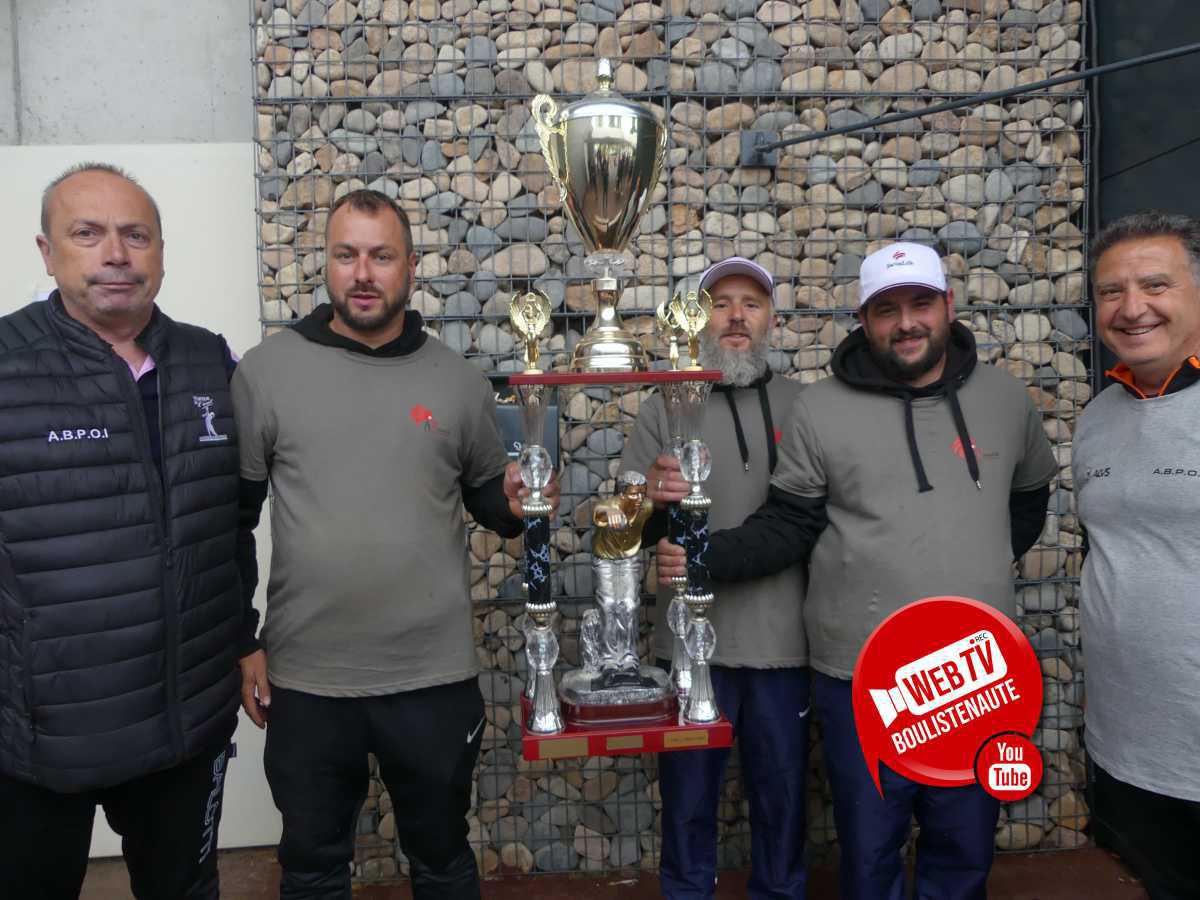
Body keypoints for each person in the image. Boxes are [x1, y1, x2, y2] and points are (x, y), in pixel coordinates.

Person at [657, 242, 1057, 899]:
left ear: (948, 307)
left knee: (963, 846)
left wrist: (974, 561)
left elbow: (1028, 498)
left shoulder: (1004, 399)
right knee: (869, 852)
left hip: (979, 669)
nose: (906, 322)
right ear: (863, 319)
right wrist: (704, 556)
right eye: (886, 309)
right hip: (861, 673)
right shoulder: (824, 408)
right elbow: (790, 523)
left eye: (921, 303)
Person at [232, 188, 557, 899]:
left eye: (381, 256)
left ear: (412, 266)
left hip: (431, 678)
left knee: (441, 857)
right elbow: (234, 517)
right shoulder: (266, 373)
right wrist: (243, 640)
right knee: (313, 867)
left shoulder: (456, 380)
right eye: (346, 255)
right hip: (310, 679)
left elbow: (483, 495)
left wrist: (511, 507)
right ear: (325, 262)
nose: (363, 273)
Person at [0, 163, 258, 899]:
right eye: (88, 234)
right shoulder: (7, 366)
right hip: (41, 740)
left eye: (134, 235)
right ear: (48, 252)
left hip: (188, 727)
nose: (116, 253)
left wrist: (244, 640)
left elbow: (231, 526)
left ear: (161, 252)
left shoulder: (212, 362)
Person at [621, 257, 811, 899]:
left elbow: (813, 521)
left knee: (781, 799)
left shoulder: (803, 406)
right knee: (687, 801)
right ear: (696, 320)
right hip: (687, 646)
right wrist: (646, 495)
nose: (735, 316)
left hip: (785, 645)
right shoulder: (662, 408)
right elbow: (622, 529)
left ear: (771, 320)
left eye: (750, 303)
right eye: (720, 302)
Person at [1073, 212, 1200, 899]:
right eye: (1110, 291)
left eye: (1156, 283)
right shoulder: (1098, 419)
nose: (1131, 307)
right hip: (1132, 747)